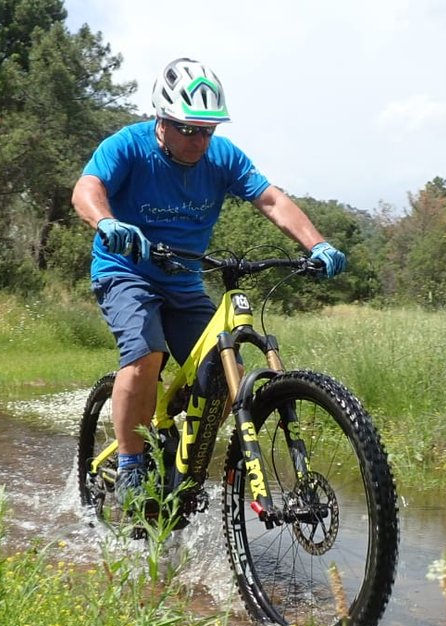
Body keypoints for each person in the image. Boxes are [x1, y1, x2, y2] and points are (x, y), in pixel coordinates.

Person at [71, 56, 347, 510]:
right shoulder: (128, 146)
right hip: (125, 272)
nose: (200, 140)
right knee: (145, 354)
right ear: (162, 118)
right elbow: (88, 188)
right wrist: (106, 222)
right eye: (189, 129)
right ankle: (130, 466)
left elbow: (271, 199)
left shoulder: (222, 156)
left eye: (208, 130)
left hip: (182, 283)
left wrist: (318, 244)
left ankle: (179, 457)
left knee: (223, 369)